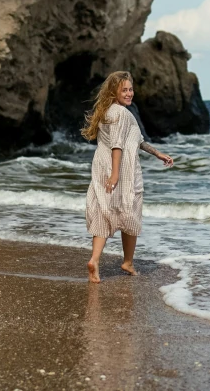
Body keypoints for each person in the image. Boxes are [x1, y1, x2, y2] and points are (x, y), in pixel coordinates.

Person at [81, 71, 174, 283]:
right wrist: (115, 174)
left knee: (104, 212)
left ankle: (94, 260)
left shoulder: (108, 111)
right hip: (122, 169)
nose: (129, 93)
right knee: (130, 212)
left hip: (101, 165)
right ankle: (128, 262)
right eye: (124, 89)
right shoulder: (121, 114)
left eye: (131, 89)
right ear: (114, 91)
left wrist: (157, 153)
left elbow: (137, 141)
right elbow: (117, 144)